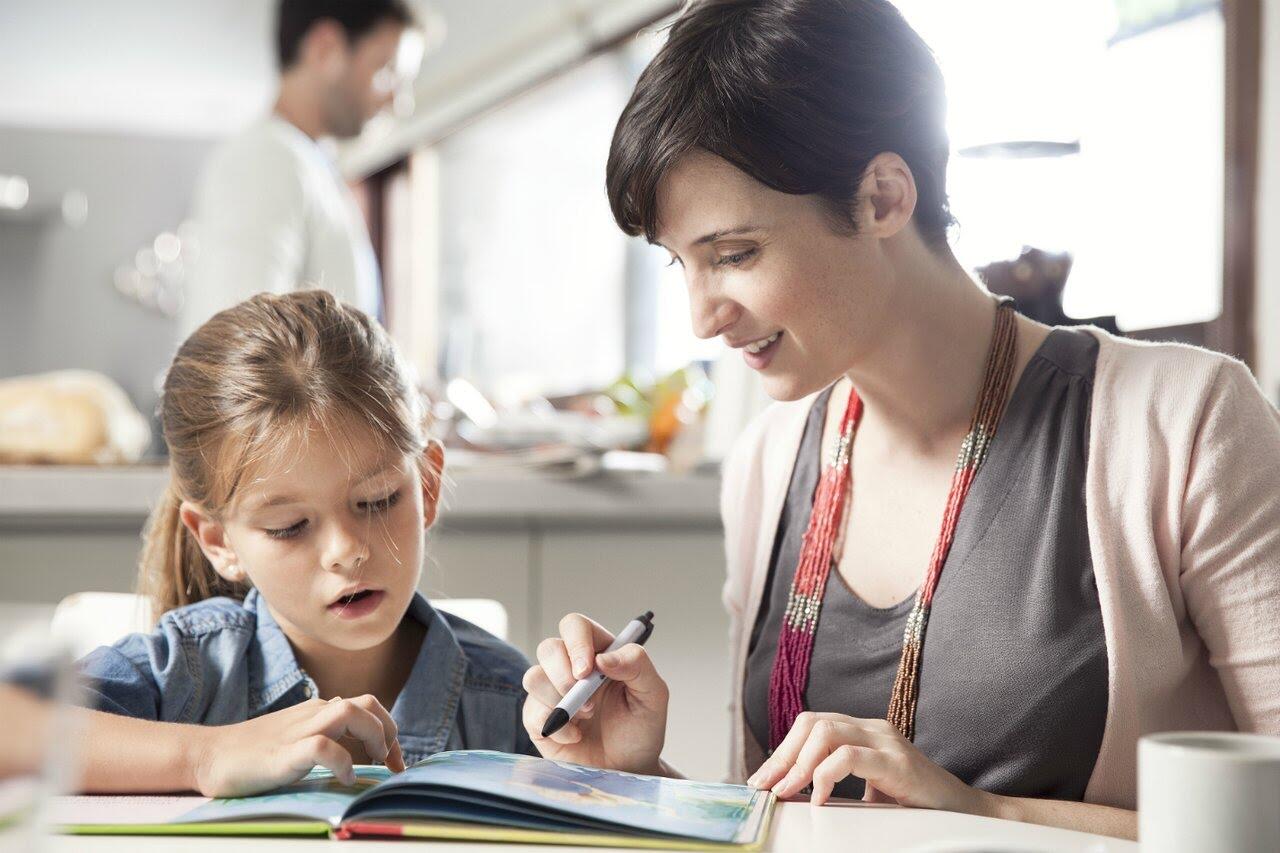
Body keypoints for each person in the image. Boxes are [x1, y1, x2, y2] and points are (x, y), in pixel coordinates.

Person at [521, 0, 1280, 840]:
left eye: (734, 255)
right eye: (682, 264)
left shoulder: (1186, 422)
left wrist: (982, 814)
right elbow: (783, 818)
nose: (703, 317)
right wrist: (637, 779)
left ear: (882, 196)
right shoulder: (771, 460)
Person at [39, 290, 532, 796]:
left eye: (377, 500)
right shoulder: (184, 671)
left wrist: (614, 765)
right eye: (289, 526)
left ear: (426, 487)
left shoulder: (514, 702)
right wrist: (204, 756)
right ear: (218, 540)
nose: (345, 550)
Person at [179, 0, 421, 339]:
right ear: (325, 49)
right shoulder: (266, 160)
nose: (399, 101)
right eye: (386, 71)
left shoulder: (312, 166)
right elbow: (237, 352)